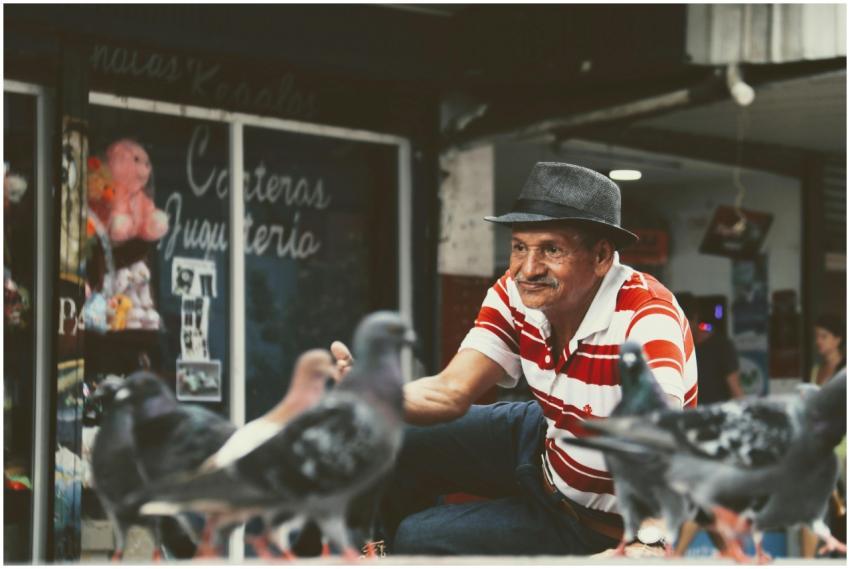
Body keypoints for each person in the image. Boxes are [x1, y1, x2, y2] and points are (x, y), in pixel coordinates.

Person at [333, 162, 698, 557]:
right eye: (519, 247)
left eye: (551, 250)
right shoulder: (515, 292)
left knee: (418, 537)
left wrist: (650, 542)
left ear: (601, 256)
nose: (528, 269)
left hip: (591, 524)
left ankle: (410, 549)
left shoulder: (646, 318)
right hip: (545, 438)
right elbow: (451, 391)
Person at [678, 293, 743, 405]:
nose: (682, 332)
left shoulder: (721, 346)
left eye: (685, 325)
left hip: (717, 413)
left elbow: (735, 389)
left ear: (695, 319)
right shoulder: (676, 349)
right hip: (688, 414)